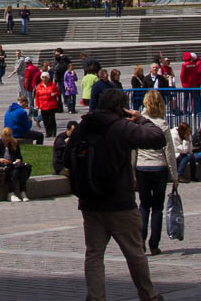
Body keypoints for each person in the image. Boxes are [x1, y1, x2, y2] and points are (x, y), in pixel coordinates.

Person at [64, 89, 166, 301]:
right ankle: (149, 295)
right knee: (134, 253)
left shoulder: (82, 127)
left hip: (90, 202)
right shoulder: (121, 127)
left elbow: (67, 160)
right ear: (120, 107)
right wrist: (142, 119)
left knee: (94, 254)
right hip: (119, 202)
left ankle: (95, 297)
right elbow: (157, 138)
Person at [133, 90, 179, 256]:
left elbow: (134, 149)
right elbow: (169, 152)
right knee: (157, 208)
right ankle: (154, 244)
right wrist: (174, 176)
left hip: (142, 167)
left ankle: (140, 241)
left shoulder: (139, 123)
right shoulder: (162, 124)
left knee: (144, 205)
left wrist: (132, 171)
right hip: (159, 167)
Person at [0, 127, 32, 202]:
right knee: (15, 171)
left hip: (12, 165)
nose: (6, 141)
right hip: (3, 167)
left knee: (23, 169)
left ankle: (23, 192)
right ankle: (11, 193)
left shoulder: (14, 143)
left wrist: (18, 160)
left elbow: (19, 157)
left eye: (8, 139)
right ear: (2, 137)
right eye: (5, 139)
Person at [34, 72, 62, 137]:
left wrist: (54, 94)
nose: (44, 79)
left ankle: (53, 132)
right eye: (43, 77)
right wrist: (37, 105)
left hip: (51, 105)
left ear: (48, 78)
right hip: (43, 106)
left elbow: (58, 92)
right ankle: (48, 132)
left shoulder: (52, 85)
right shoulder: (39, 86)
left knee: (52, 119)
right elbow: (37, 97)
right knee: (45, 120)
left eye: (45, 77)